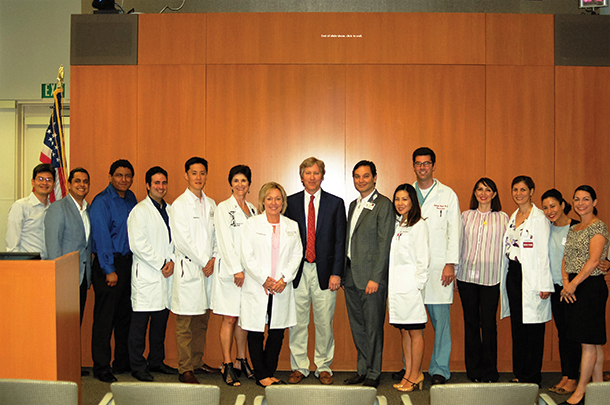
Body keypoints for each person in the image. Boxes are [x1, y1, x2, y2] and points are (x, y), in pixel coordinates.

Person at [285, 157, 346, 385]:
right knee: (297, 322)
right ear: (301, 177)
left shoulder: (335, 203)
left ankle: (323, 366)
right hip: (298, 272)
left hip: (326, 273)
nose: (312, 177)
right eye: (307, 173)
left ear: (322, 175)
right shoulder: (289, 203)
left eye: (316, 173)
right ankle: (299, 365)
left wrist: (337, 272)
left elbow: (340, 240)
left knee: (323, 321)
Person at [239, 182, 302, 387]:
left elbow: (297, 254)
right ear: (263, 201)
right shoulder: (252, 224)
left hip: (281, 286)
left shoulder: (291, 225)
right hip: (258, 285)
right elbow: (246, 255)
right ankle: (262, 375)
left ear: (283, 202)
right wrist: (264, 279)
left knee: (277, 331)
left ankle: (268, 372)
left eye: (277, 198)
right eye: (269, 198)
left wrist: (284, 278)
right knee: (256, 329)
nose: (273, 203)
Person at [411, 147, 460, 385]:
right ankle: (410, 368)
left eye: (426, 163)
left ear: (433, 165)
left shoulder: (447, 195)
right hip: (413, 270)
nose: (422, 167)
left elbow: (455, 232)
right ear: (414, 166)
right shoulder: (406, 193)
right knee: (410, 322)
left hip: (441, 268)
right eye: (418, 163)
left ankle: (440, 369)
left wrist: (451, 263)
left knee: (441, 323)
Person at [343, 160, 394, 388]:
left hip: (372, 279)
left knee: (373, 327)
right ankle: (362, 370)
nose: (361, 180)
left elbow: (385, 244)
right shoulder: (353, 205)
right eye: (357, 176)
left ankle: (374, 372)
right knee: (358, 327)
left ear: (375, 177)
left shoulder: (384, 205)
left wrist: (376, 277)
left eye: (365, 176)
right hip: (352, 277)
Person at [170, 157, 220, 384]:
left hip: (207, 270)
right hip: (189, 269)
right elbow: (182, 240)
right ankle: (185, 368)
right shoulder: (179, 205)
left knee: (202, 319)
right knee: (185, 323)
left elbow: (218, 236)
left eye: (202, 173)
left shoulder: (211, 204)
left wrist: (213, 258)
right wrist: (203, 261)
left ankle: (197, 363)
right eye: (194, 173)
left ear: (206, 175)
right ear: (186, 175)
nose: (198, 177)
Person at [500, 175, 553, 386]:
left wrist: (544, 284)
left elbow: (543, 254)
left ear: (532, 191)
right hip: (514, 275)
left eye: (523, 190)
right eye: (515, 190)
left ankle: (532, 377)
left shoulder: (538, 218)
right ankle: (520, 374)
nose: (518, 194)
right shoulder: (514, 216)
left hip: (532, 276)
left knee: (534, 329)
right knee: (518, 326)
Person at [126, 166, 177, 382]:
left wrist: (172, 260)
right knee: (139, 325)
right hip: (147, 274)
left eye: (164, 182)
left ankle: (156, 361)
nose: (161, 186)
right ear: (148, 185)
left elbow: (176, 240)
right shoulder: (139, 211)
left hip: (166, 275)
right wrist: (162, 262)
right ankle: (137, 365)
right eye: (156, 183)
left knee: (160, 323)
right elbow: (138, 244)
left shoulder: (171, 210)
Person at [560, 185, 609, 405]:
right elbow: (566, 257)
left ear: (594, 202)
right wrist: (566, 282)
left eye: (586, 199)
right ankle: (599, 394)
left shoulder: (598, 227)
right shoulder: (575, 227)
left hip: (591, 287)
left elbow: (594, 261)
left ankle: (580, 393)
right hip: (575, 286)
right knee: (594, 342)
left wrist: (574, 284)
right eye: (577, 199)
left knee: (588, 343)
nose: (581, 203)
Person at [89, 159, 138, 383]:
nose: (124, 179)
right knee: (104, 319)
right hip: (108, 265)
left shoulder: (131, 199)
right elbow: (101, 237)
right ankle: (101, 366)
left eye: (128, 176)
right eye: (119, 175)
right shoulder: (101, 202)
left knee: (124, 316)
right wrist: (109, 269)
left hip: (128, 264)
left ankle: (122, 361)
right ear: (110, 177)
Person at [457, 178, 508, 383]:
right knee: (470, 323)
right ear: (474, 193)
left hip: (491, 279)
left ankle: (490, 371)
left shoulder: (503, 218)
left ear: (494, 194)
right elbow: (458, 244)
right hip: (466, 277)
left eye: (488, 190)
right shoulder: (465, 216)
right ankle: (473, 370)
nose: (483, 193)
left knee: (488, 325)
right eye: (479, 189)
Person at [212, 165, 257, 386]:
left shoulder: (253, 209)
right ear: (231, 183)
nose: (240, 184)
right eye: (236, 180)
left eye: (244, 181)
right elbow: (224, 242)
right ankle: (227, 364)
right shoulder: (223, 208)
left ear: (249, 184)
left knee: (244, 318)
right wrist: (236, 269)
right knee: (229, 317)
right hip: (231, 273)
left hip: (249, 274)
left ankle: (241, 359)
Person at [44, 167, 91, 377]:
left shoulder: (87, 209)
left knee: (75, 323)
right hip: (64, 278)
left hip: (81, 277)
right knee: (62, 326)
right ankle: (59, 366)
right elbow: (53, 246)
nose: (82, 185)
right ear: (69, 184)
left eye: (86, 181)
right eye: (78, 181)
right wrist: (58, 277)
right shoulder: (58, 208)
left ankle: (71, 364)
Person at [389, 184, 430, 393]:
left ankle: (417, 374)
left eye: (405, 199)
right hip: (397, 289)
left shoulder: (418, 225)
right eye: (397, 199)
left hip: (411, 289)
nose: (400, 203)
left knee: (415, 332)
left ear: (413, 201)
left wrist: (417, 287)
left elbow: (423, 260)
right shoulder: (400, 224)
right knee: (404, 331)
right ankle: (408, 372)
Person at [541, 189, 581, 395]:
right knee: (563, 334)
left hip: (575, 288)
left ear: (563, 204)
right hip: (556, 288)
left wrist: (605, 262)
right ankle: (566, 374)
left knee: (574, 334)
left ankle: (574, 377)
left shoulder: (578, 227)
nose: (549, 211)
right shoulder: (545, 228)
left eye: (553, 206)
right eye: (545, 207)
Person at [6, 163, 56, 259]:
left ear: (54, 184)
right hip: (27, 266)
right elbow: (12, 247)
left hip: (48, 266)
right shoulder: (20, 207)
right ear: (33, 182)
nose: (44, 183)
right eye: (40, 179)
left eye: (48, 180)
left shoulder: (53, 209)